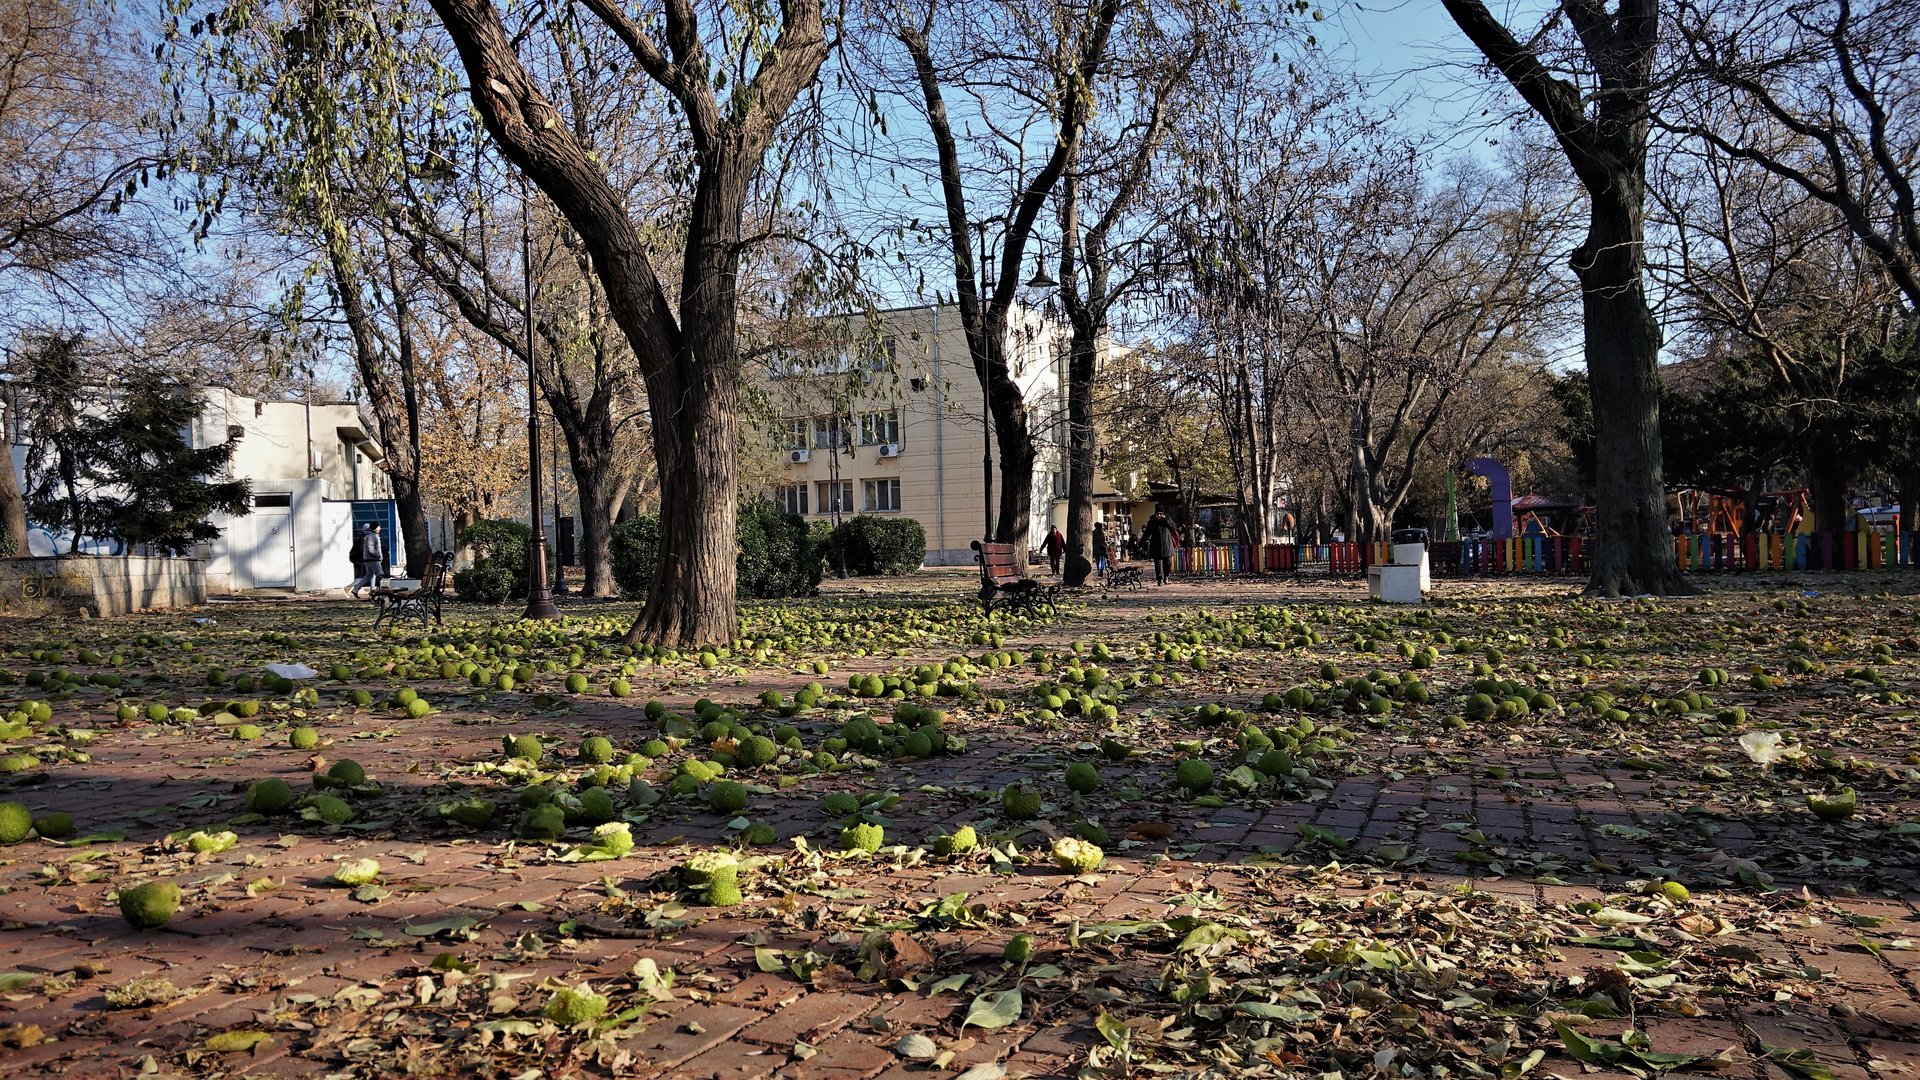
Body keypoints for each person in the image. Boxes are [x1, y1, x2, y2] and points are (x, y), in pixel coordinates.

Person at [1144, 507, 1180, 585]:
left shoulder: (1167, 520)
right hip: (1156, 545)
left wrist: (1166, 520)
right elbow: (1147, 533)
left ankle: (1166, 576)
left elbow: (1173, 528)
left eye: (1161, 514)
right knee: (1158, 564)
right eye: (1157, 514)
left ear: (1163, 514)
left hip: (1167, 545)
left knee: (1168, 563)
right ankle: (1159, 579)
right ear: (1155, 514)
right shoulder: (1152, 521)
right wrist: (1141, 543)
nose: (1159, 515)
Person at [348, 522, 384, 599]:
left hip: (369, 559)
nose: (380, 528)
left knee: (368, 576)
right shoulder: (371, 536)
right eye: (378, 527)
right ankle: (380, 594)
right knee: (380, 576)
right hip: (373, 560)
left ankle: (356, 589)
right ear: (375, 528)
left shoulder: (370, 535)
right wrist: (378, 555)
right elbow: (371, 550)